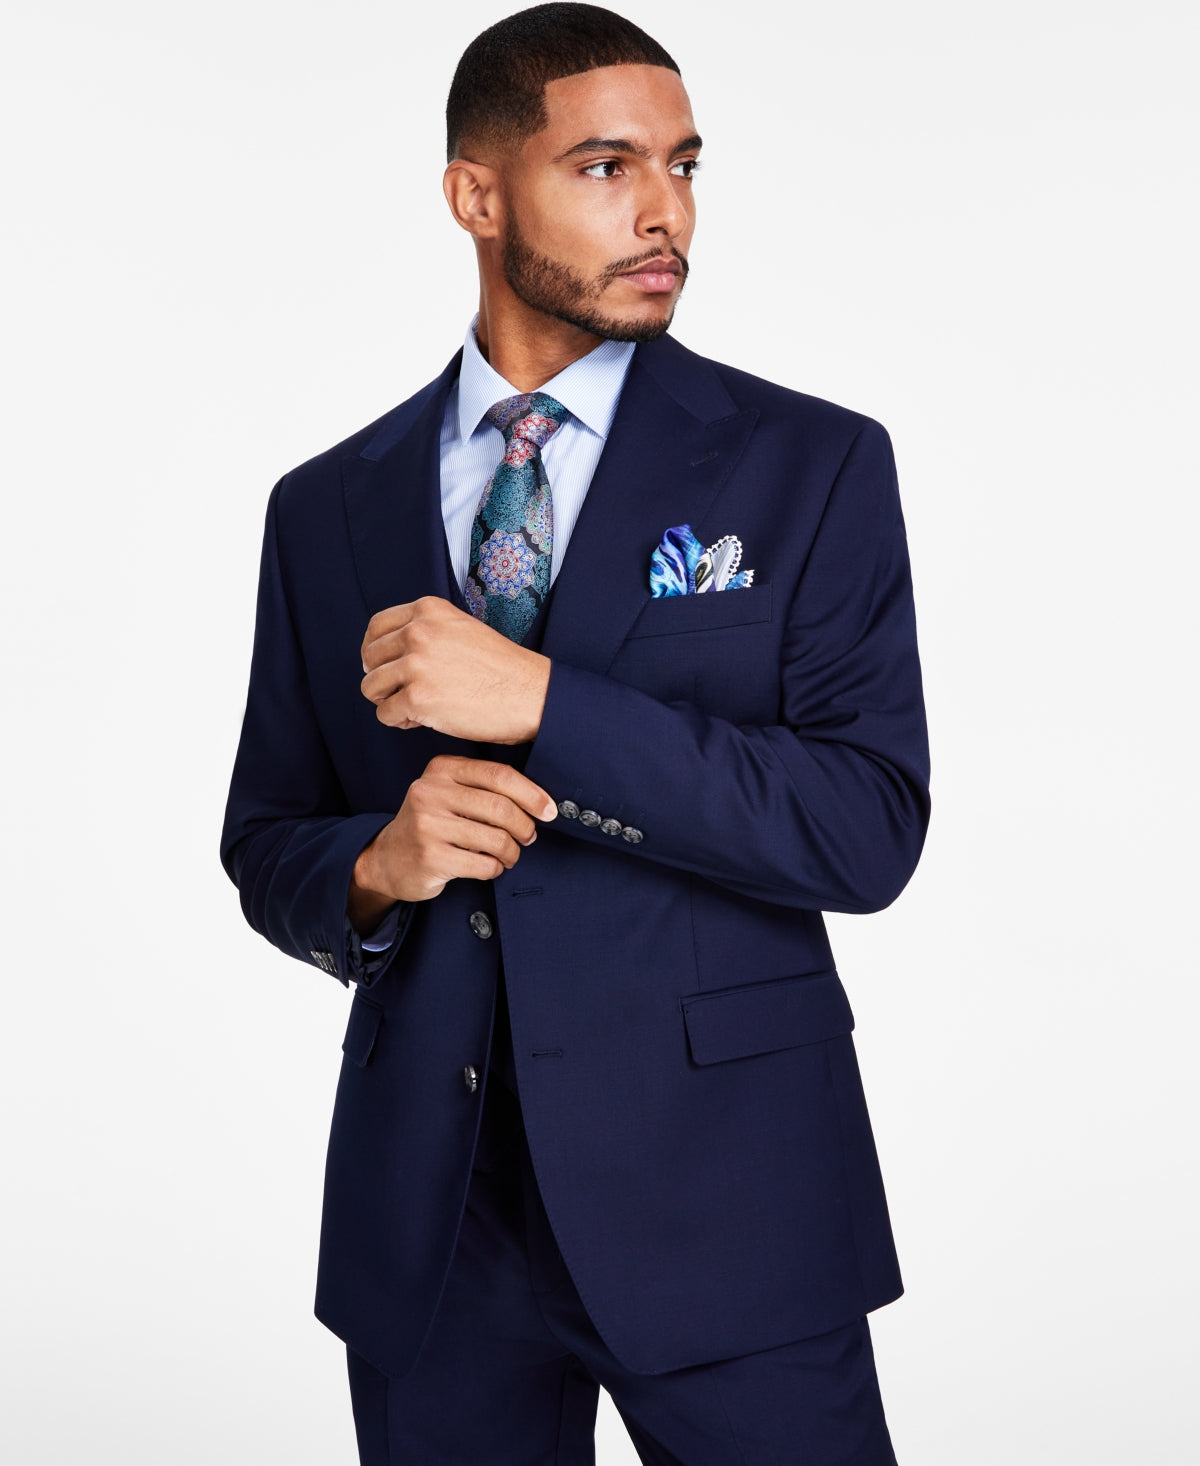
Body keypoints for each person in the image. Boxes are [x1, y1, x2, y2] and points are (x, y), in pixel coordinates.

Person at [220, 5, 931, 1461]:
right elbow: (268, 837)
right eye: (607, 167)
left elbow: (865, 826)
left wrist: (546, 705)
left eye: (684, 164)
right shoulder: (326, 504)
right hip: (436, 1227)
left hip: (729, 1201)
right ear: (476, 196)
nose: (666, 210)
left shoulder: (811, 464)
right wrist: (377, 865)